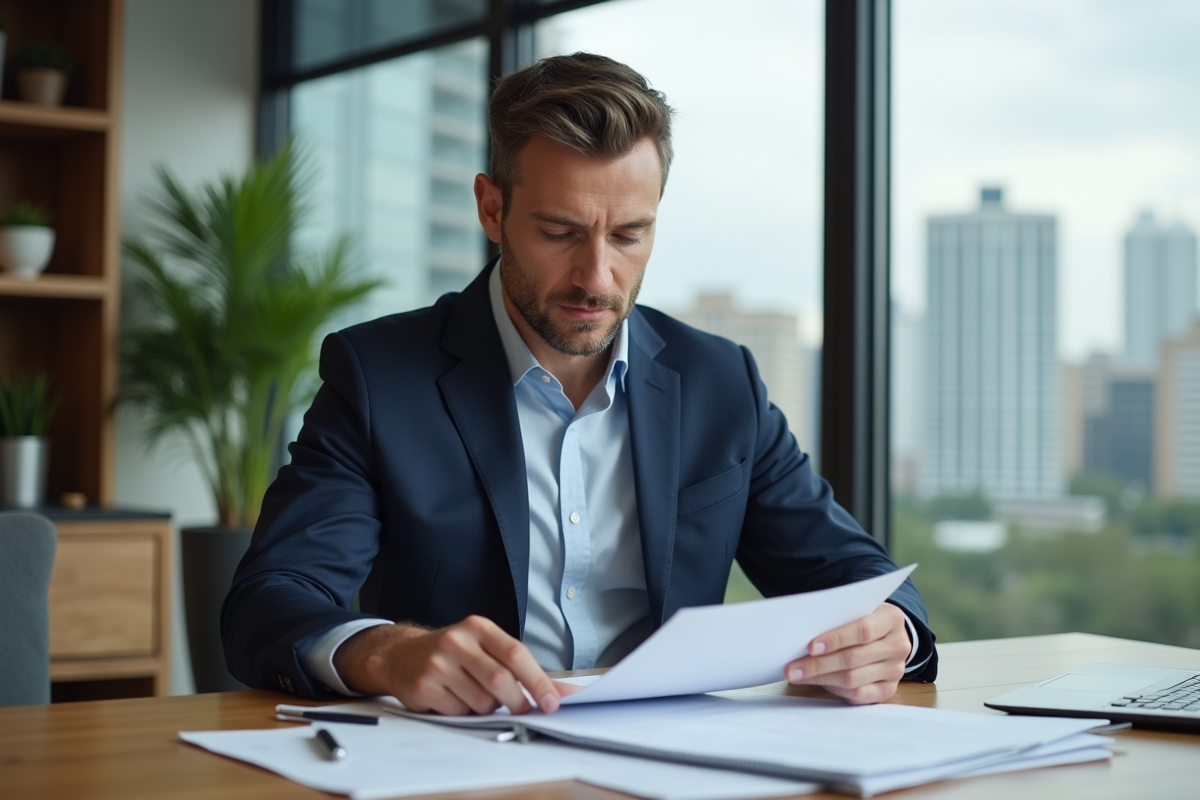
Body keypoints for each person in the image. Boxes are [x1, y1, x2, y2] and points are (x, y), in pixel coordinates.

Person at [222, 52, 937, 716]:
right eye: (560, 232)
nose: (597, 277)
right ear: (492, 209)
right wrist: (388, 652)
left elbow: (857, 573)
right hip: (467, 758)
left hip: (673, 758)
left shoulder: (721, 382)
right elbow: (269, 599)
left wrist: (889, 633)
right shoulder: (380, 376)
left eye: (628, 235)